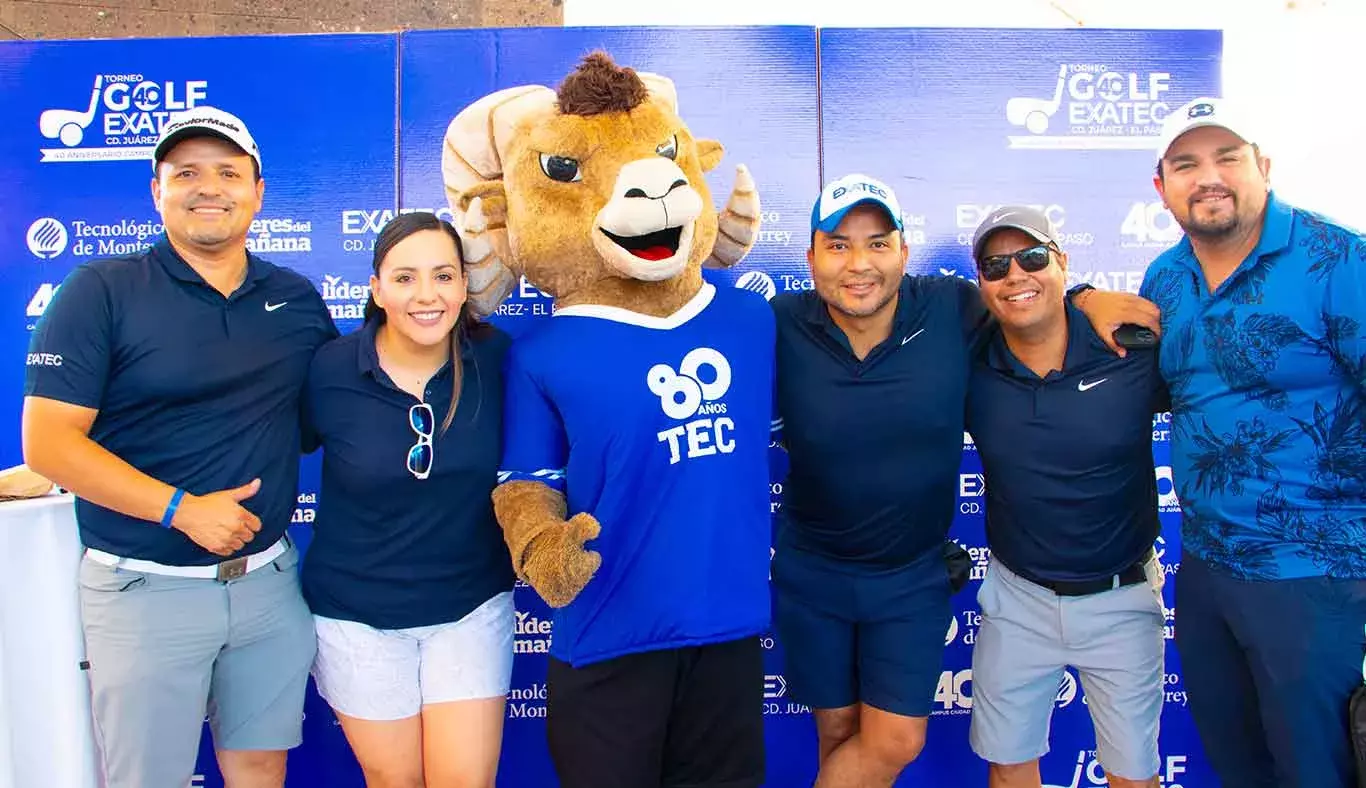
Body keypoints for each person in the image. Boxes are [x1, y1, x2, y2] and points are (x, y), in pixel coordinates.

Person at [769, 174, 1161, 788]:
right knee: (838, 731)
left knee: (895, 740)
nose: (859, 263)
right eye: (838, 244)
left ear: (903, 251)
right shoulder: (779, 323)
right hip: (813, 571)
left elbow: (1030, 298)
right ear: (812, 257)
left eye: (877, 243)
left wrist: (1085, 296)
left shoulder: (951, 307)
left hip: (909, 577)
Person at [21, 107, 337, 788]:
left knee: (259, 768)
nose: (208, 187)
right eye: (185, 173)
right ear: (156, 190)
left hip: (268, 587)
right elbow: (47, 441)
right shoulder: (99, 292)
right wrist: (181, 509)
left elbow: (332, 415)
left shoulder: (296, 299)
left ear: (257, 191)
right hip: (143, 590)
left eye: (228, 172)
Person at [1139, 96, 1366, 788]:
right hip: (1206, 568)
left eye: (1227, 157)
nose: (1208, 177)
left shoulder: (1338, 260)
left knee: (1317, 769)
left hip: (1316, 572)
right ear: (1161, 186)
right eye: (1186, 164)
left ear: (1262, 166)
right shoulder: (1165, 279)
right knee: (1238, 765)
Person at [300, 211, 516, 788]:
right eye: (404, 278)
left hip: (469, 609)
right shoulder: (329, 370)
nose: (427, 295)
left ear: (465, 285)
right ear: (375, 289)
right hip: (356, 616)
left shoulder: (497, 359)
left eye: (444, 276)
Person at [963, 206, 1169, 788]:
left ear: (1062, 262)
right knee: (1009, 767)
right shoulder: (970, 364)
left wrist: (1086, 297)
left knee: (1133, 775)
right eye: (996, 266)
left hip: (1121, 597)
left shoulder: (1130, 351)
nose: (1015, 276)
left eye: (1031, 258)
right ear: (982, 284)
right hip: (1017, 598)